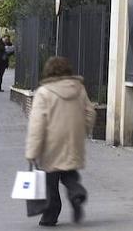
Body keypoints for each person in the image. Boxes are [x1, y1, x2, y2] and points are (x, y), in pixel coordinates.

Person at [25, 56, 95, 227]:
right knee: (69, 173)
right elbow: (90, 112)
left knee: (50, 180)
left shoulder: (44, 92)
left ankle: (50, 215)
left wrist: (32, 151)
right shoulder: (79, 88)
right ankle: (76, 192)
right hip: (73, 139)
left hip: (51, 143)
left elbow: (37, 124)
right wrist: (83, 130)